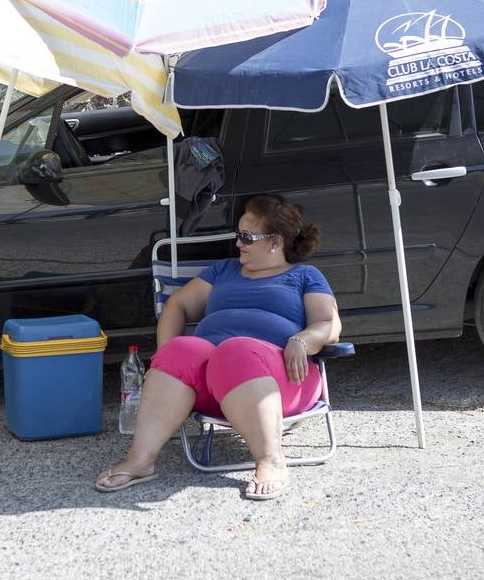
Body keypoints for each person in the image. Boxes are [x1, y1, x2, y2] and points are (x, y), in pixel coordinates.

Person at [95, 194, 341, 501]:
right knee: (179, 350)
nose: (238, 243)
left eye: (247, 237)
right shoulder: (223, 270)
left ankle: (270, 460)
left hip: (279, 378)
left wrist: (301, 340)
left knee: (234, 351)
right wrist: (165, 356)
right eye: (238, 235)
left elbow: (329, 324)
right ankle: (140, 460)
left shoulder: (304, 275)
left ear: (275, 241)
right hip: (211, 386)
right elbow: (177, 305)